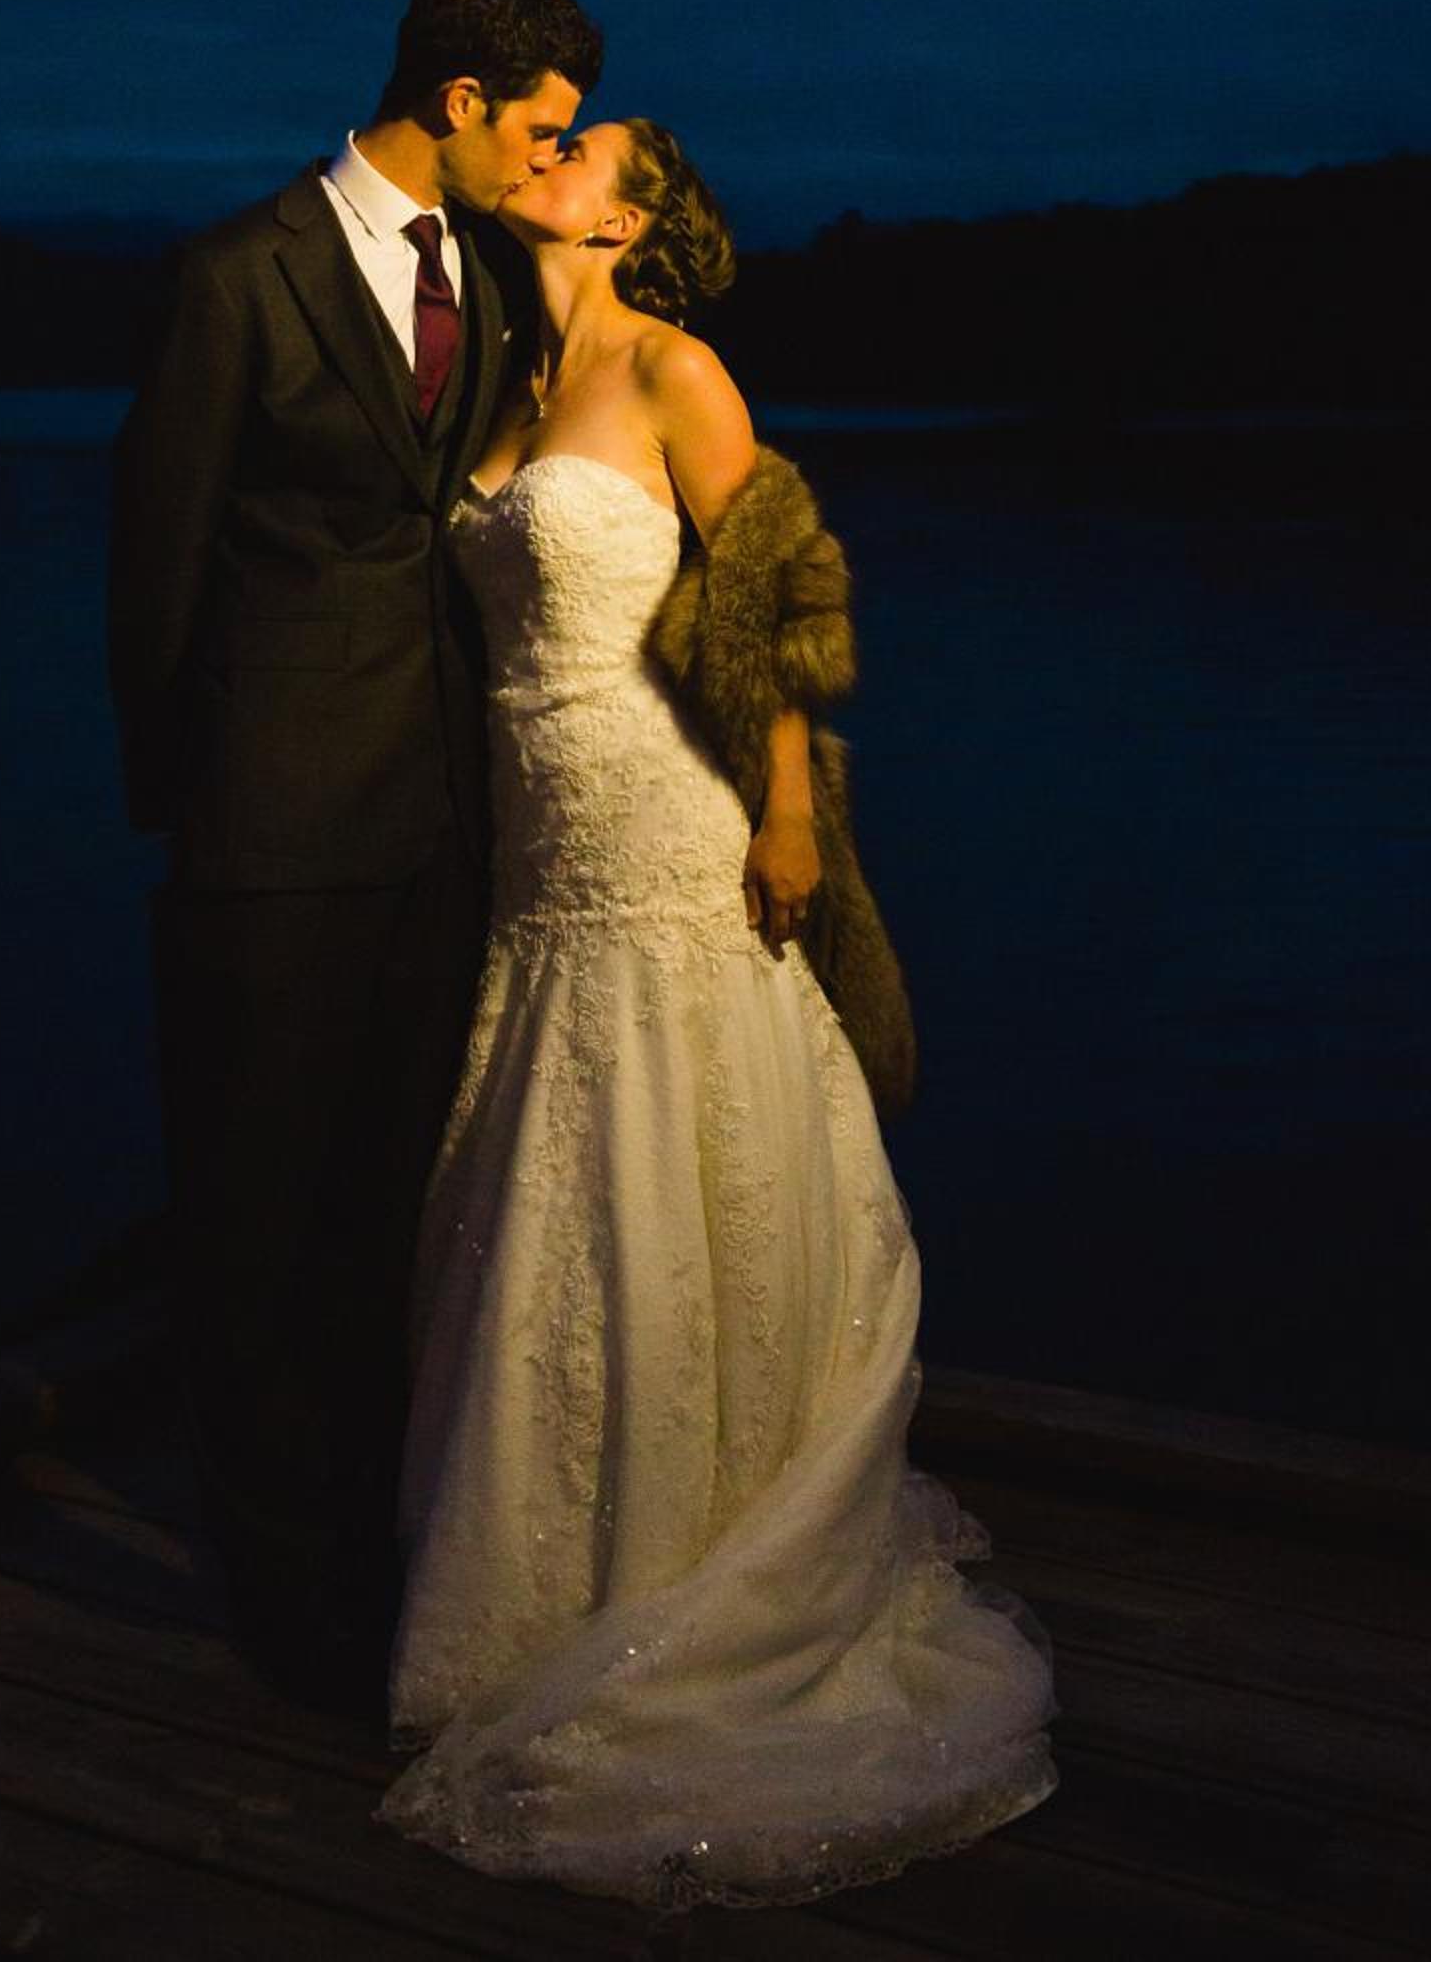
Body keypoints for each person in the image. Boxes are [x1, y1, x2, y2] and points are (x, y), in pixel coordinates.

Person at [378, 117, 1060, 1904]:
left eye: (581, 146)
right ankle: (561, 1565)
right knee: (555, 1163)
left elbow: (765, 602)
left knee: (687, 1138)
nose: (549, 151)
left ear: (628, 216)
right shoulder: (509, 381)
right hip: (541, 829)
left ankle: (719, 1538)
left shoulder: (678, 369)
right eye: (547, 134)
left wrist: (782, 811)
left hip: (668, 806)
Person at [105, 0, 603, 1713]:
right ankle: (284, 1604)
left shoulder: (495, 273)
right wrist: (196, 814)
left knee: (398, 1219)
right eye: (536, 128)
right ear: (461, 101)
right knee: (255, 1224)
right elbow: (155, 572)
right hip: (270, 839)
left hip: (444, 831)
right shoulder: (237, 277)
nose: (548, 161)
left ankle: (390, 1559)